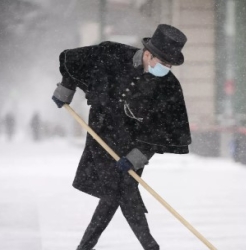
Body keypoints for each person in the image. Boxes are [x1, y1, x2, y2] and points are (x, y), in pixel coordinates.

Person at [51, 24, 191, 250]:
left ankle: (88, 246)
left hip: (135, 144)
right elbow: (73, 61)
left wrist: (138, 156)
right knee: (120, 189)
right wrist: (65, 89)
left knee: (117, 191)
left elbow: (162, 131)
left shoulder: (169, 86)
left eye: (169, 65)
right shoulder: (111, 54)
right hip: (104, 133)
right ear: (148, 54)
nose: (166, 69)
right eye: (162, 63)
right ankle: (148, 245)